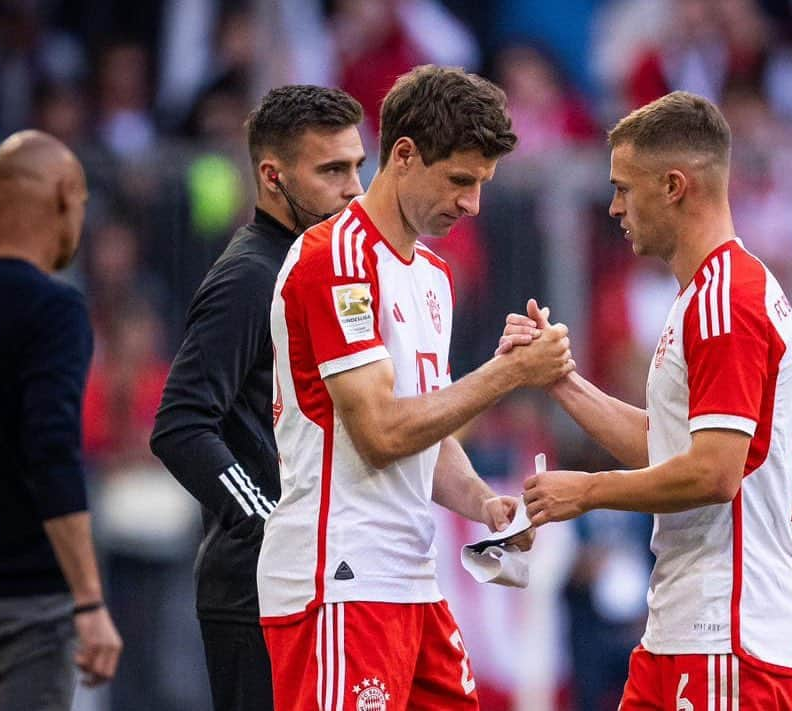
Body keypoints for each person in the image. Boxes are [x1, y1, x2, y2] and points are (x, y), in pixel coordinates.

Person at [257, 65, 573, 711]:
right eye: (460, 179)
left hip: (409, 578)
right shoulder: (336, 260)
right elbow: (380, 433)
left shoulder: (430, 273)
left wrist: (485, 504)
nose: (472, 203)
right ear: (403, 154)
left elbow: (426, 427)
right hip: (340, 577)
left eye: (482, 183)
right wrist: (508, 373)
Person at [514, 92, 792, 710]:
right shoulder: (705, 295)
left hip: (726, 630)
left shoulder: (726, 302)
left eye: (624, 188)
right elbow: (670, 445)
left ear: (674, 185)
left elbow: (713, 473)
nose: (616, 207)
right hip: (686, 625)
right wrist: (560, 379)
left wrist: (588, 491)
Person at [150, 85, 366, 711]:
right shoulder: (251, 276)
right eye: (331, 170)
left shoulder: (310, 267)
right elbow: (181, 424)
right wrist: (273, 522)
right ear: (273, 177)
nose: (354, 188)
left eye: (357, 166)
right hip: (254, 590)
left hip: (309, 579)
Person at [0, 130, 122, 710]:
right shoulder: (55, 308)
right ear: (66, 195)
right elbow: (51, 449)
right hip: (25, 605)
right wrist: (89, 600)